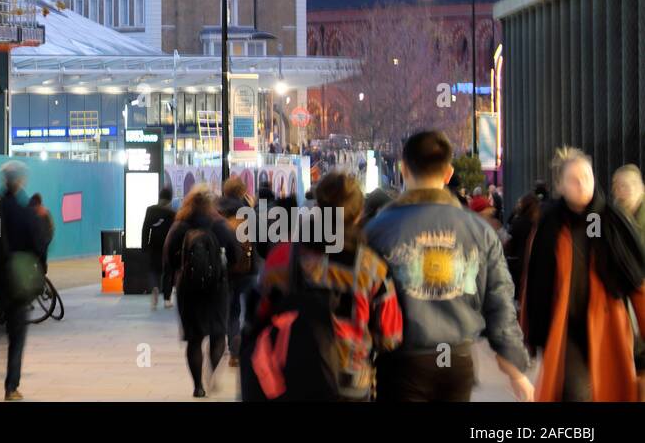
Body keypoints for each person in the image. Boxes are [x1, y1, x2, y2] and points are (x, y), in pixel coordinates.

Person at [364, 130, 533, 402]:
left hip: (400, 363)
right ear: (448, 173)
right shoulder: (479, 231)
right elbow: (500, 302)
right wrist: (515, 368)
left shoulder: (376, 231)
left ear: (403, 169)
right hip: (457, 362)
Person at [245, 172, 404, 401]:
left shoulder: (283, 254)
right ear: (359, 214)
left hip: (290, 377)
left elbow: (257, 313)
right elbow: (390, 336)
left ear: (319, 206)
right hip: (349, 383)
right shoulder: (371, 267)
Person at [521, 148, 645, 401]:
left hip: (608, 326)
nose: (582, 185)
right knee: (575, 393)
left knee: (609, 390)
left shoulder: (612, 221)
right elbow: (533, 283)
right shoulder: (549, 225)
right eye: (574, 180)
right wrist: (529, 331)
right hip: (565, 329)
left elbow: (637, 280)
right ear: (560, 186)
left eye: (587, 177)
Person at [163, 185, 242, 397]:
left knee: (194, 339)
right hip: (217, 288)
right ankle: (211, 372)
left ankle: (198, 386)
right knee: (218, 335)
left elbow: (169, 257)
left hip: (188, 288)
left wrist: (173, 279)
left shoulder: (179, 226)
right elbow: (236, 255)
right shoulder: (220, 225)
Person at [0, 161, 48, 401]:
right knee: (17, 336)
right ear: (19, 182)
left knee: (1, 326)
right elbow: (39, 244)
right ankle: (11, 386)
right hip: (18, 281)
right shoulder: (25, 211)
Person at [216, 177, 255, 367]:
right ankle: (245, 347)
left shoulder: (216, 210)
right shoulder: (247, 211)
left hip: (223, 267)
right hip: (246, 266)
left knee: (231, 310)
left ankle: (233, 351)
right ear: (241, 192)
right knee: (247, 309)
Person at [141, 185, 176, 310]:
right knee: (168, 271)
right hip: (168, 245)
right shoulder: (172, 213)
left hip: (153, 244)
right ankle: (167, 299)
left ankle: (154, 287)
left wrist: (144, 245)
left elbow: (145, 228)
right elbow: (174, 231)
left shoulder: (150, 210)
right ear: (170, 199)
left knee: (153, 269)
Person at [612, 164, 645, 237]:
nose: (618, 192)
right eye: (615, 187)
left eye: (624, 186)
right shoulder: (615, 213)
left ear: (641, 188)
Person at [28, 192, 55, 273]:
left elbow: (50, 229)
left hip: (43, 241)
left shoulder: (44, 212)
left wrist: (46, 241)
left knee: (41, 260)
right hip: (39, 241)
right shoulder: (34, 212)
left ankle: (42, 275)